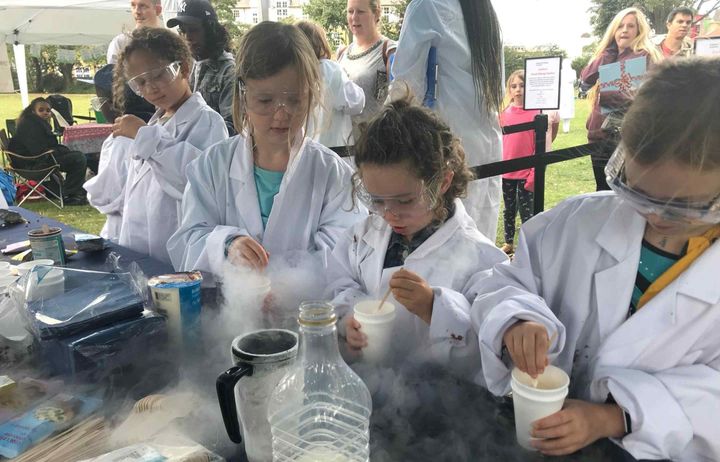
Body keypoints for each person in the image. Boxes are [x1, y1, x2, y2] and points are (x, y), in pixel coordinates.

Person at [472, 58, 720, 460]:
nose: (656, 216)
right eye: (639, 192)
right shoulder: (575, 223)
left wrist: (614, 418)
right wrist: (516, 317)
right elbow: (502, 282)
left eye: (682, 208)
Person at [326, 94, 507, 375]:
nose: (389, 214)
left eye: (405, 200)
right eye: (377, 200)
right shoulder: (362, 236)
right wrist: (349, 316)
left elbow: (490, 352)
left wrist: (435, 309)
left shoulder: (482, 259)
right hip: (373, 385)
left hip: (440, 400)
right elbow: (339, 282)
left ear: (444, 181)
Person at [167, 22, 365, 278]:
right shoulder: (211, 167)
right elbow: (188, 240)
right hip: (231, 313)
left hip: (306, 312)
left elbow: (348, 247)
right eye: (265, 100)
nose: (281, 114)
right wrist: (227, 245)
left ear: (311, 95)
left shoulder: (332, 174)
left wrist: (284, 282)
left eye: (294, 100)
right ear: (243, 93)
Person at [390, 0, 504, 242]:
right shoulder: (485, 10)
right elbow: (499, 91)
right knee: (481, 239)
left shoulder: (427, 6)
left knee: (443, 244)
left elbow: (405, 87)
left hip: (443, 145)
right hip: (487, 143)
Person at [112, 27, 228, 263]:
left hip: (177, 255)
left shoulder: (207, 122)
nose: (151, 88)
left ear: (184, 68)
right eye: (140, 82)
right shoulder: (158, 122)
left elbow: (197, 182)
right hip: (141, 247)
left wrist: (144, 136)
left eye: (158, 75)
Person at [580, 7, 662, 191]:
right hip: (599, 136)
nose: (624, 30)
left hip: (626, 138)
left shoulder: (645, 56)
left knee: (624, 194)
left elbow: (647, 98)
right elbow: (586, 79)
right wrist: (608, 53)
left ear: (639, 30)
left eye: (630, 26)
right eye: (620, 26)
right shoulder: (607, 55)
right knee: (602, 191)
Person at [84, 65, 154, 242]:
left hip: (125, 230)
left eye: (100, 103)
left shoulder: (120, 141)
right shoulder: (158, 128)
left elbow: (107, 196)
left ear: (113, 104)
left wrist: (91, 189)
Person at [499, 70, 559, 255]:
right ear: (509, 89)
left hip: (527, 173)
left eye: (523, 85)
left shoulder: (538, 114)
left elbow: (545, 143)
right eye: (514, 86)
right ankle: (508, 242)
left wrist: (534, 173)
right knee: (509, 210)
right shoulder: (503, 114)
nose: (518, 90)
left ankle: (528, 247)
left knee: (528, 214)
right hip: (507, 173)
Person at [166, 0, 237, 135]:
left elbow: (232, 128)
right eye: (182, 31)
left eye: (193, 30)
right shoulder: (182, 66)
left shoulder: (228, 71)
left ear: (211, 30)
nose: (187, 37)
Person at [297, 20, 365, 148]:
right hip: (336, 151)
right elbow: (356, 104)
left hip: (304, 152)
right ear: (321, 44)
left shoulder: (294, 73)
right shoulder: (331, 70)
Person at [8, 97, 88, 205]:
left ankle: (75, 192)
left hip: (38, 159)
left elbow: (47, 146)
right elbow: (38, 150)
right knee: (79, 158)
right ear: (33, 111)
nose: (45, 113)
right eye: (41, 110)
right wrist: (60, 151)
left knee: (77, 155)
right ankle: (71, 195)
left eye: (48, 110)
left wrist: (61, 150)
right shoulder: (30, 125)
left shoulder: (36, 122)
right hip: (32, 163)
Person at [337, 0, 396, 138]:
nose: (354, 17)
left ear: (376, 13)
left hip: (375, 147)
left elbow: (398, 104)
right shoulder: (342, 53)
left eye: (361, 12)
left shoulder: (389, 51)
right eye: (350, 11)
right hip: (342, 150)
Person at [107, 0, 164, 65]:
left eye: (143, 6)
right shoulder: (121, 43)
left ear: (158, 10)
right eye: (133, 6)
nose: (137, 11)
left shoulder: (170, 42)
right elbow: (113, 73)